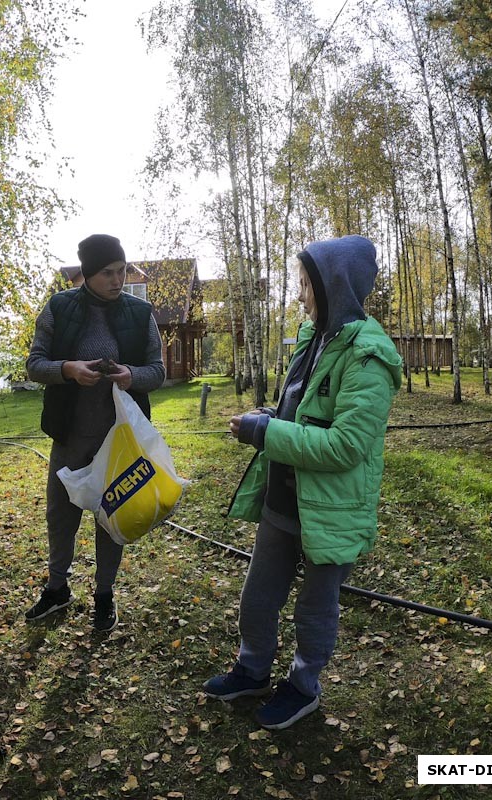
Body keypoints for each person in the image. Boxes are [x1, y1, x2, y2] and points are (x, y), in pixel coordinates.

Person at [204, 234, 402, 730]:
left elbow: (344, 446)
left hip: (331, 510)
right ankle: (252, 670)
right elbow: (301, 411)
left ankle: (303, 685)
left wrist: (267, 432)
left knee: (315, 609)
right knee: (258, 596)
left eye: (305, 285)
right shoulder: (313, 339)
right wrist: (268, 416)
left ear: (332, 285)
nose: (299, 295)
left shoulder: (368, 356)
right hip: (283, 499)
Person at [25, 234, 166, 632]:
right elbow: (34, 365)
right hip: (69, 435)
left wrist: (130, 375)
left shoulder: (140, 313)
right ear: (87, 273)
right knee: (61, 516)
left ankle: (104, 596)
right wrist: (68, 369)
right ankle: (57, 590)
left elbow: (158, 371)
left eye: (122, 271)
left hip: (119, 441)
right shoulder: (59, 308)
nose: (118, 280)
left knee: (112, 517)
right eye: (108, 273)